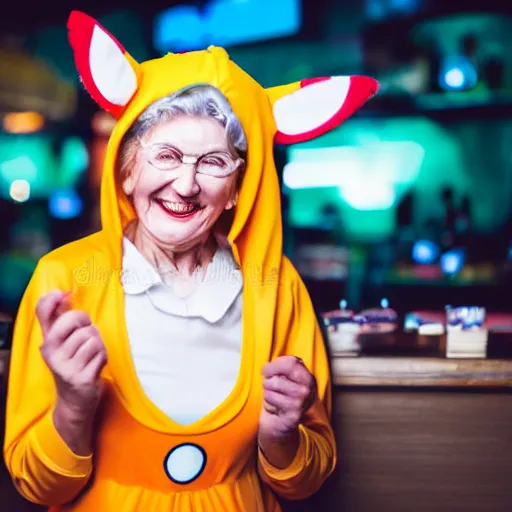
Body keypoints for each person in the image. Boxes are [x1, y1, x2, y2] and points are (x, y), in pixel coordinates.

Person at [3, 11, 378, 512]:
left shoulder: (276, 285)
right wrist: (72, 407)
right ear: (127, 171)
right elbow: (38, 487)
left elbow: (306, 482)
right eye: (166, 155)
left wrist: (282, 436)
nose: (186, 184)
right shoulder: (65, 277)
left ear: (235, 192)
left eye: (213, 162)